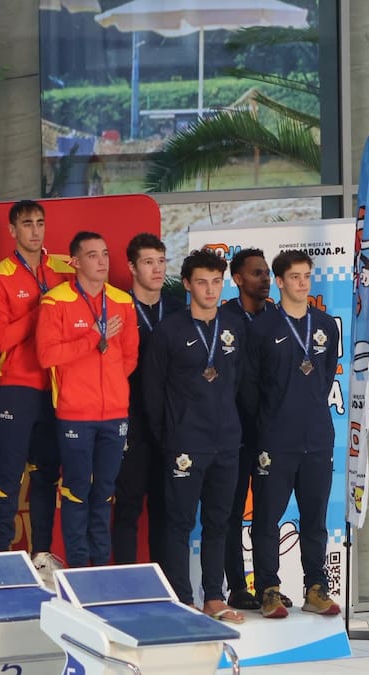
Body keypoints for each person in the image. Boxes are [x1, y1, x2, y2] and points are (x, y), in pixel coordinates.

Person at [143, 250, 247, 623]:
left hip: (226, 443)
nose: (210, 290)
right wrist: (169, 436)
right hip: (184, 445)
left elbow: (239, 383)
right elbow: (152, 392)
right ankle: (182, 599)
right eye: (202, 282)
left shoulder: (234, 326)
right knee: (179, 523)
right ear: (187, 285)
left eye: (216, 282)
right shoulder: (168, 330)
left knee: (218, 522)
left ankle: (214, 597)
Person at [246, 249, 341, 619]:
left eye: (307, 276)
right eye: (295, 277)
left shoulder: (326, 325)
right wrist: (268, 424)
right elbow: (251, 386)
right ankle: (269, 588)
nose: (302, 283)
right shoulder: (263, 328)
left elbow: (326, 371)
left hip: (317, 437)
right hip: (275, 439)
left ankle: (316, 589)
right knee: (267, 519)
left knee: (315, 518)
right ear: (280, 281)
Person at [36, 231, 138, 568]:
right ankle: (79, 567)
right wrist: (93, 338)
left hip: (113, 412)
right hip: (75, 413)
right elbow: (48, 355)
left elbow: (129, 357)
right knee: (77, 489)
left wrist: (109, 384)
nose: (102, 261)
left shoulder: (122, 300)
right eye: (93, 255)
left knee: (105, 491)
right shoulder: (55, 301)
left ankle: (101, 565)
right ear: (75, 262)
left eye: (105, 253)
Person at [0, 200, 74, 581]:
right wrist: (44, 307)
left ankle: (41, 553)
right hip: (17, 387)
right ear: (12, 231)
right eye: (27, 224)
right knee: (7, 474)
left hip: (56, 386)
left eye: (40, 223)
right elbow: (2, 339)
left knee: (46, 474)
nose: (35, 231)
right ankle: (0, 556)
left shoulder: (63, 270)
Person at [219, 248, 291, 612]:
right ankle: (236, 587)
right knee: (231, 512)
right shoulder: (224, 318)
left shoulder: (278, 316)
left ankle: (268, 586)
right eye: (257, 273)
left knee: (267, 512)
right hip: (233, 433)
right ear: (238, 279)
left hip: (271, 432)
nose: (265, 279)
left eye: (266, 273)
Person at [112, 233, 184, 567]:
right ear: (131, 267)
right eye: (148, 262)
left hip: (170, 420)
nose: (156, 270)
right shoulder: (119, 308)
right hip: (131, 418)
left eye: (161, 261)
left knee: (166, 507)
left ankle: (168, 587)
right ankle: (125, 585)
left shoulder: (177, 309)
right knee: (127, 505)